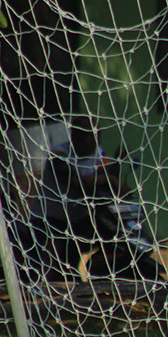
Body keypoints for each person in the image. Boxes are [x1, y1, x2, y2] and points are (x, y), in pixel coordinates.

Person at [31, 115, 123, 280]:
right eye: (88, 135)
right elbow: (73, 183)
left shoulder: (99, 155)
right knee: (57, 265)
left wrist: (117, 168)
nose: (94, 141)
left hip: (77, 220)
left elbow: (108, 185)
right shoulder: (59, 155)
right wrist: (106, 179)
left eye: (97, 135)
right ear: (75, 137)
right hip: (49, 219)